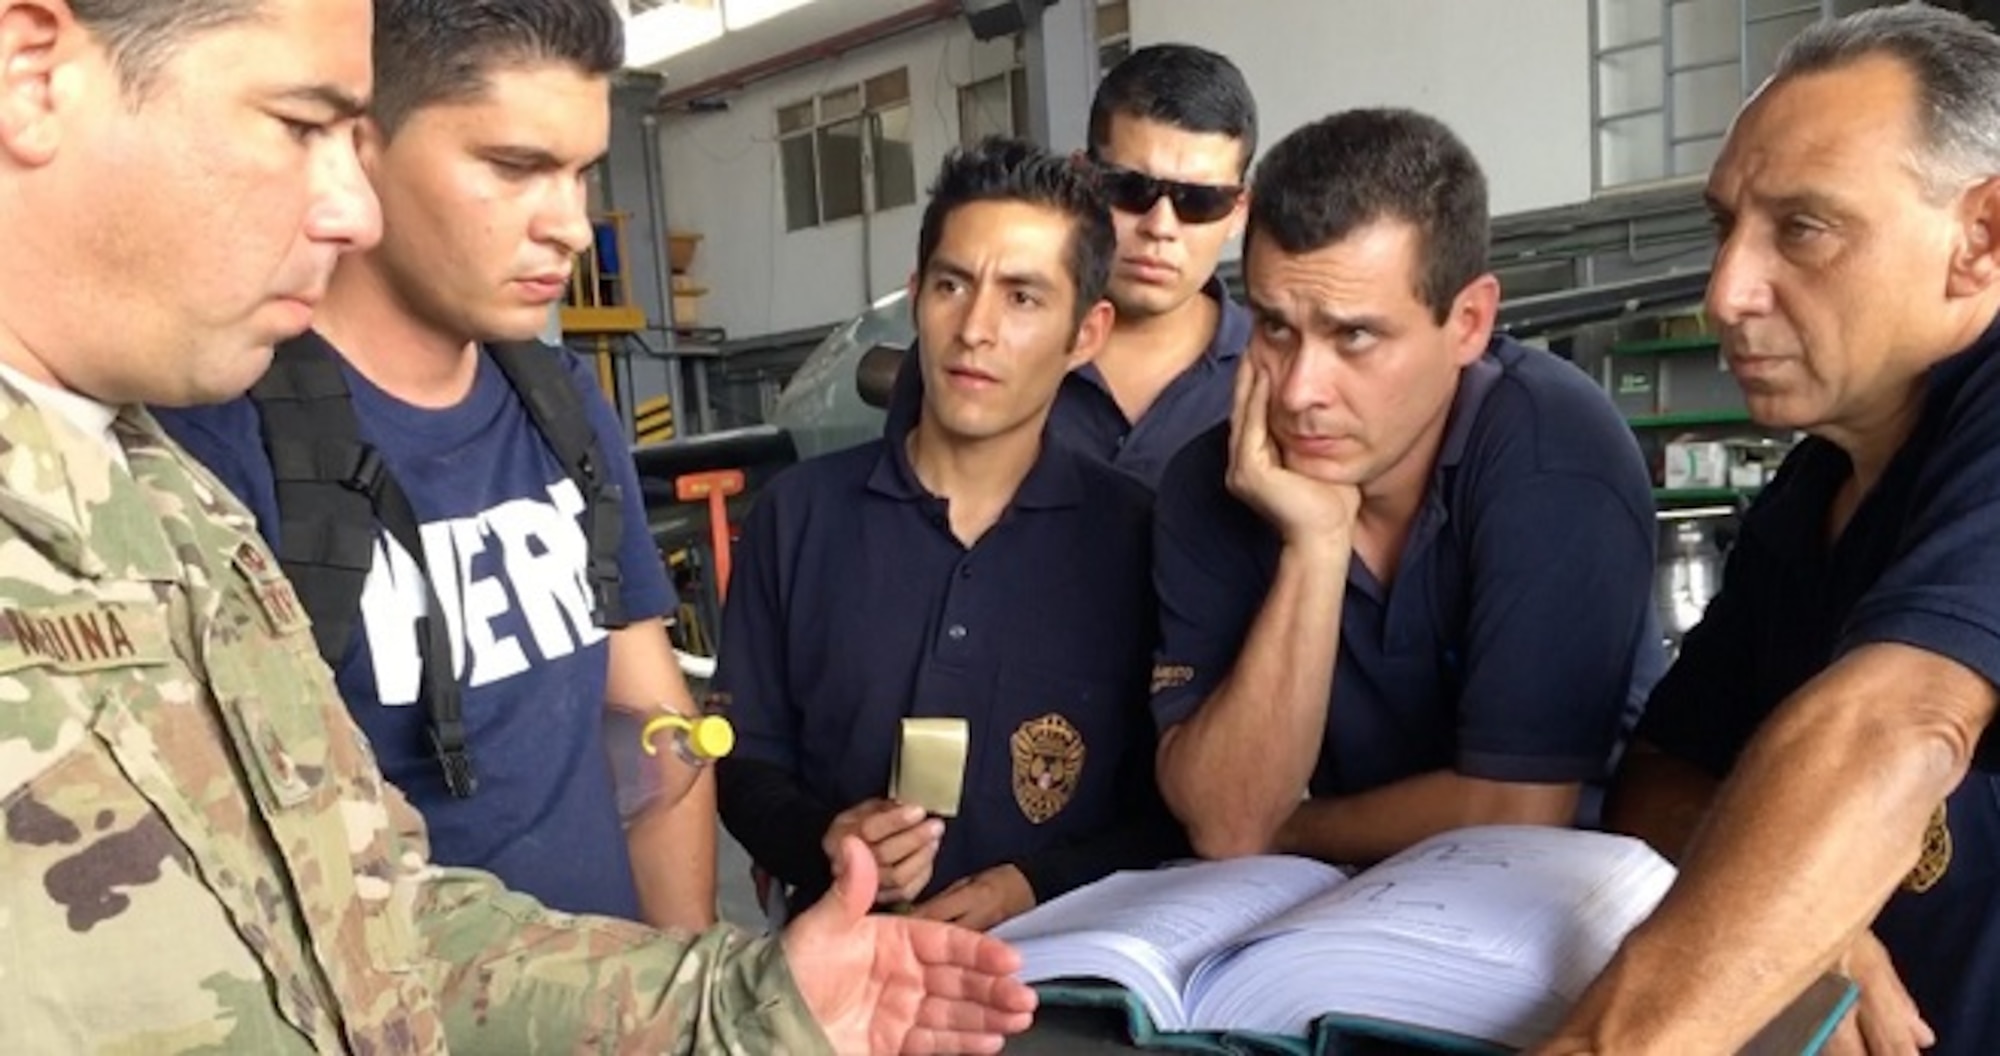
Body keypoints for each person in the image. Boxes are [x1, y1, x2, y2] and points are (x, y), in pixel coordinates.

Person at [0, 1, 1035, 1051]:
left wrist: (715, 1004)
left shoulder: (164, 496)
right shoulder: (214, 442)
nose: (344, 206)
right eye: (301, 126)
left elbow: (354, 912)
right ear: (31, 74)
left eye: (580, 173)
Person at [151, 0, 716, 930]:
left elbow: (659, 735)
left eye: (581, 172)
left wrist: (692, 998)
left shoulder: (561, 401)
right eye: (515, 166)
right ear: (358, 149)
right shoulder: (222, 441)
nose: (571, 226)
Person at [1540, 7, 2000, 1054]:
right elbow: (1656, 774)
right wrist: (1816, 928)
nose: (1723, 292)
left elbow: (1892, 722)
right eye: (1722, 228)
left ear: (1978, 237)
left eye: (1801, 227)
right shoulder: (1815, 484)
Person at [1150, 109, 1664, 867]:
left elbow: (1516, 812)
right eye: (1275, 327)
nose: (1298, 392)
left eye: (1353, 335)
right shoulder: (1211, 479)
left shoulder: (1554, 451)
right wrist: (1317, 545)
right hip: (1313, 924)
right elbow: (1227, 821)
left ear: (1469, 322)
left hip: (1550, 902)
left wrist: (1289, 827)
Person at [715, 137, 1182, 930]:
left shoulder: (1139, 540)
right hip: (841, 974)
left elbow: (1171, 807)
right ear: (917, 295)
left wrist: (1032, 884)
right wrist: (827, 841)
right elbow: (744, 761)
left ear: (1087, 333)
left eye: (1024, 298)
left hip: (1062, 980)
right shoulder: (798, 516)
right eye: (952, 285)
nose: (975, 329)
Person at [889, 43, 1256, 488]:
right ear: (1086, 178)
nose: (1161, 226)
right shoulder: (973, 360)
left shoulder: (1278, 373)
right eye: (1129, 188)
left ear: (1238, 211)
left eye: (1200, 201)